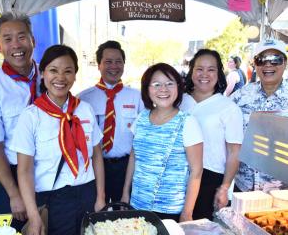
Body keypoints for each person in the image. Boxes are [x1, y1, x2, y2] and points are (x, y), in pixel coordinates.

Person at [11, 45, 105, 235]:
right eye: (53, 70)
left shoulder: (85, 109)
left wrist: (100, 197)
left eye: (68, 71)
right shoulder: (31, 116)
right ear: (43, 73)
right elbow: (25, 170)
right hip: (52, 200)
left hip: (87, 194)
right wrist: (33, 215)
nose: (60, 78)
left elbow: (96, 156)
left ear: (75, 75)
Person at [0, 12, 41, 230]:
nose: (16, 45)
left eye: (22, 37)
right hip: (12, 175)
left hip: (50, 171)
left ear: (33, 40)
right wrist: (14, 194)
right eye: (7, 39)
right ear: (0, 47)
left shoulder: (51, 77)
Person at [121, 63, 203, 222]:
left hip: (171, 210)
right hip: (137, 205)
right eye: (156, 84)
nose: (163, 89)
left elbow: (196, 171)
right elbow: (134, 157)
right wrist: (125, 193)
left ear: (178, 87)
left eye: (169, 83)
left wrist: (187, 213)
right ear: (147, 89)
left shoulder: (188, 122)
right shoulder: (141, 118)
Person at [180, 49, 243, 220]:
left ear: (219, 73)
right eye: (199, 69)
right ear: (191, 71)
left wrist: (224, 187)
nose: (204, 74)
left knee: (198, 226)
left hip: (210, 177)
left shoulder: (228, 108)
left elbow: (234, 152)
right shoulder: (179, 100)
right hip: (177, 174)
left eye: (211, 69)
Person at [79, 40, 144, 206]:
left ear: (124, 64)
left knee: (123, 213)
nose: (113, 66)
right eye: (108, 62)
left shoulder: (137, 97)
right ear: (99, 65)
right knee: (95, 211)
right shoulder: (84, 98)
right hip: (94, 167)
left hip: (125, 168)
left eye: (118, 62)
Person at [231, 38, 288, 192]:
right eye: (261, 60)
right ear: (255, 64)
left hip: (282, 193)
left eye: (275, 60)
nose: (268, 65)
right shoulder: (239, 97)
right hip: (244, 189)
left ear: (285, 63)